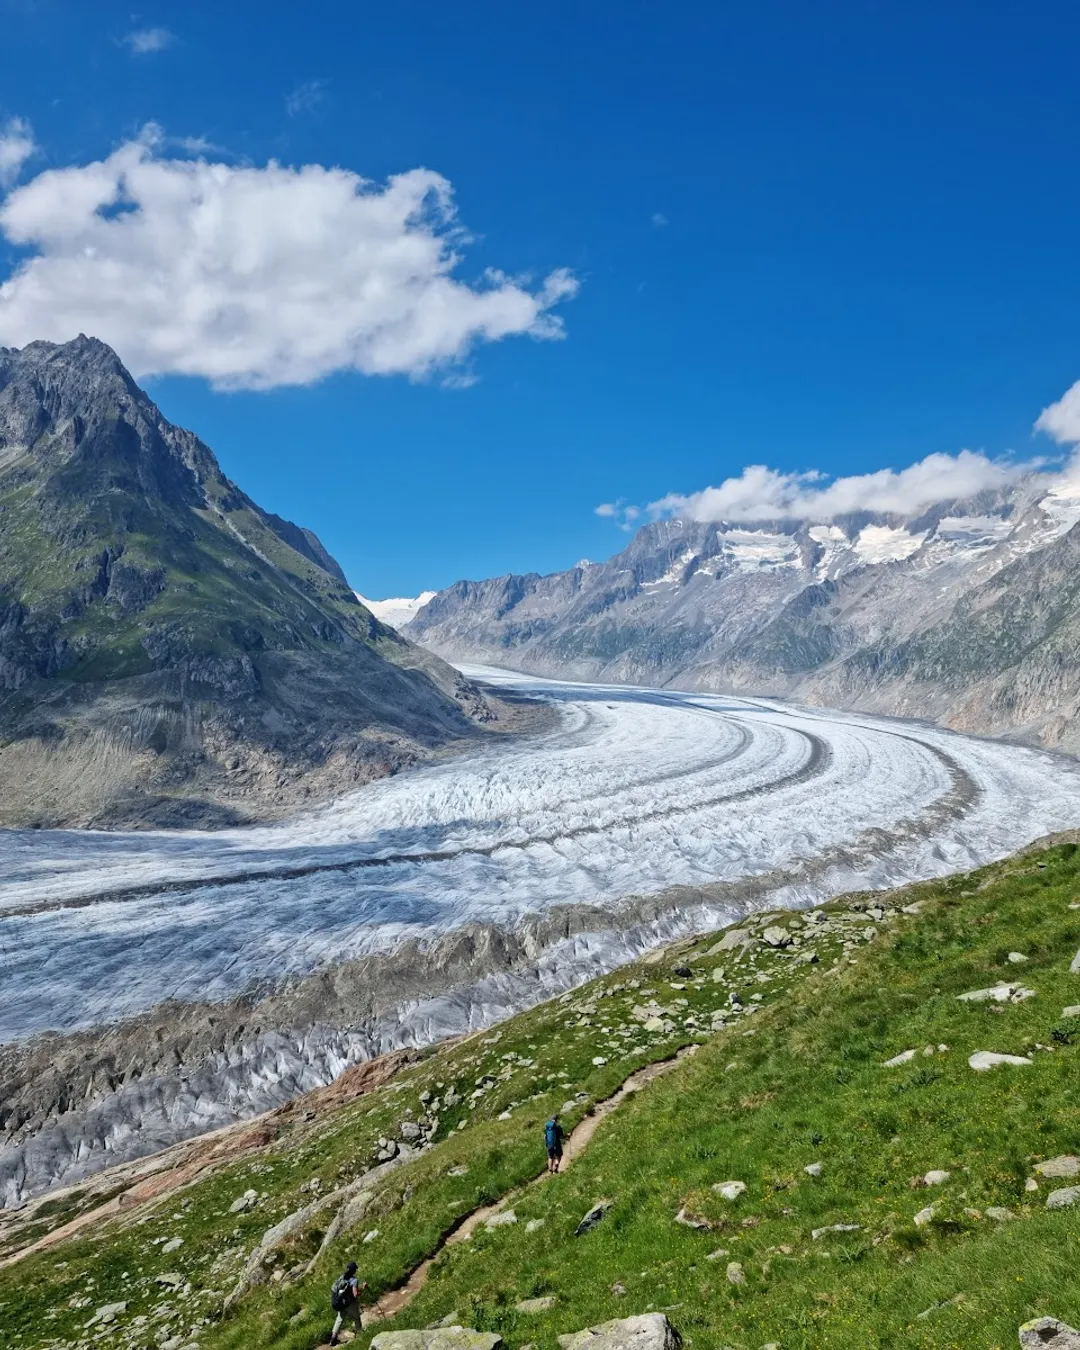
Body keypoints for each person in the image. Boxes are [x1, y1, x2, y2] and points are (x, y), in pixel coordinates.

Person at [329, 1260, 367, 1344]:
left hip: (339, 1302)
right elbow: (355, 1295)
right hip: (349, 1303)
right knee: (356, 1317)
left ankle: (333, 1338)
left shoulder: (341, 1277)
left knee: (340, 1318)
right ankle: (360, 1335)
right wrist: (363, 1288)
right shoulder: (354, 1280)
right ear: (354, 1270)